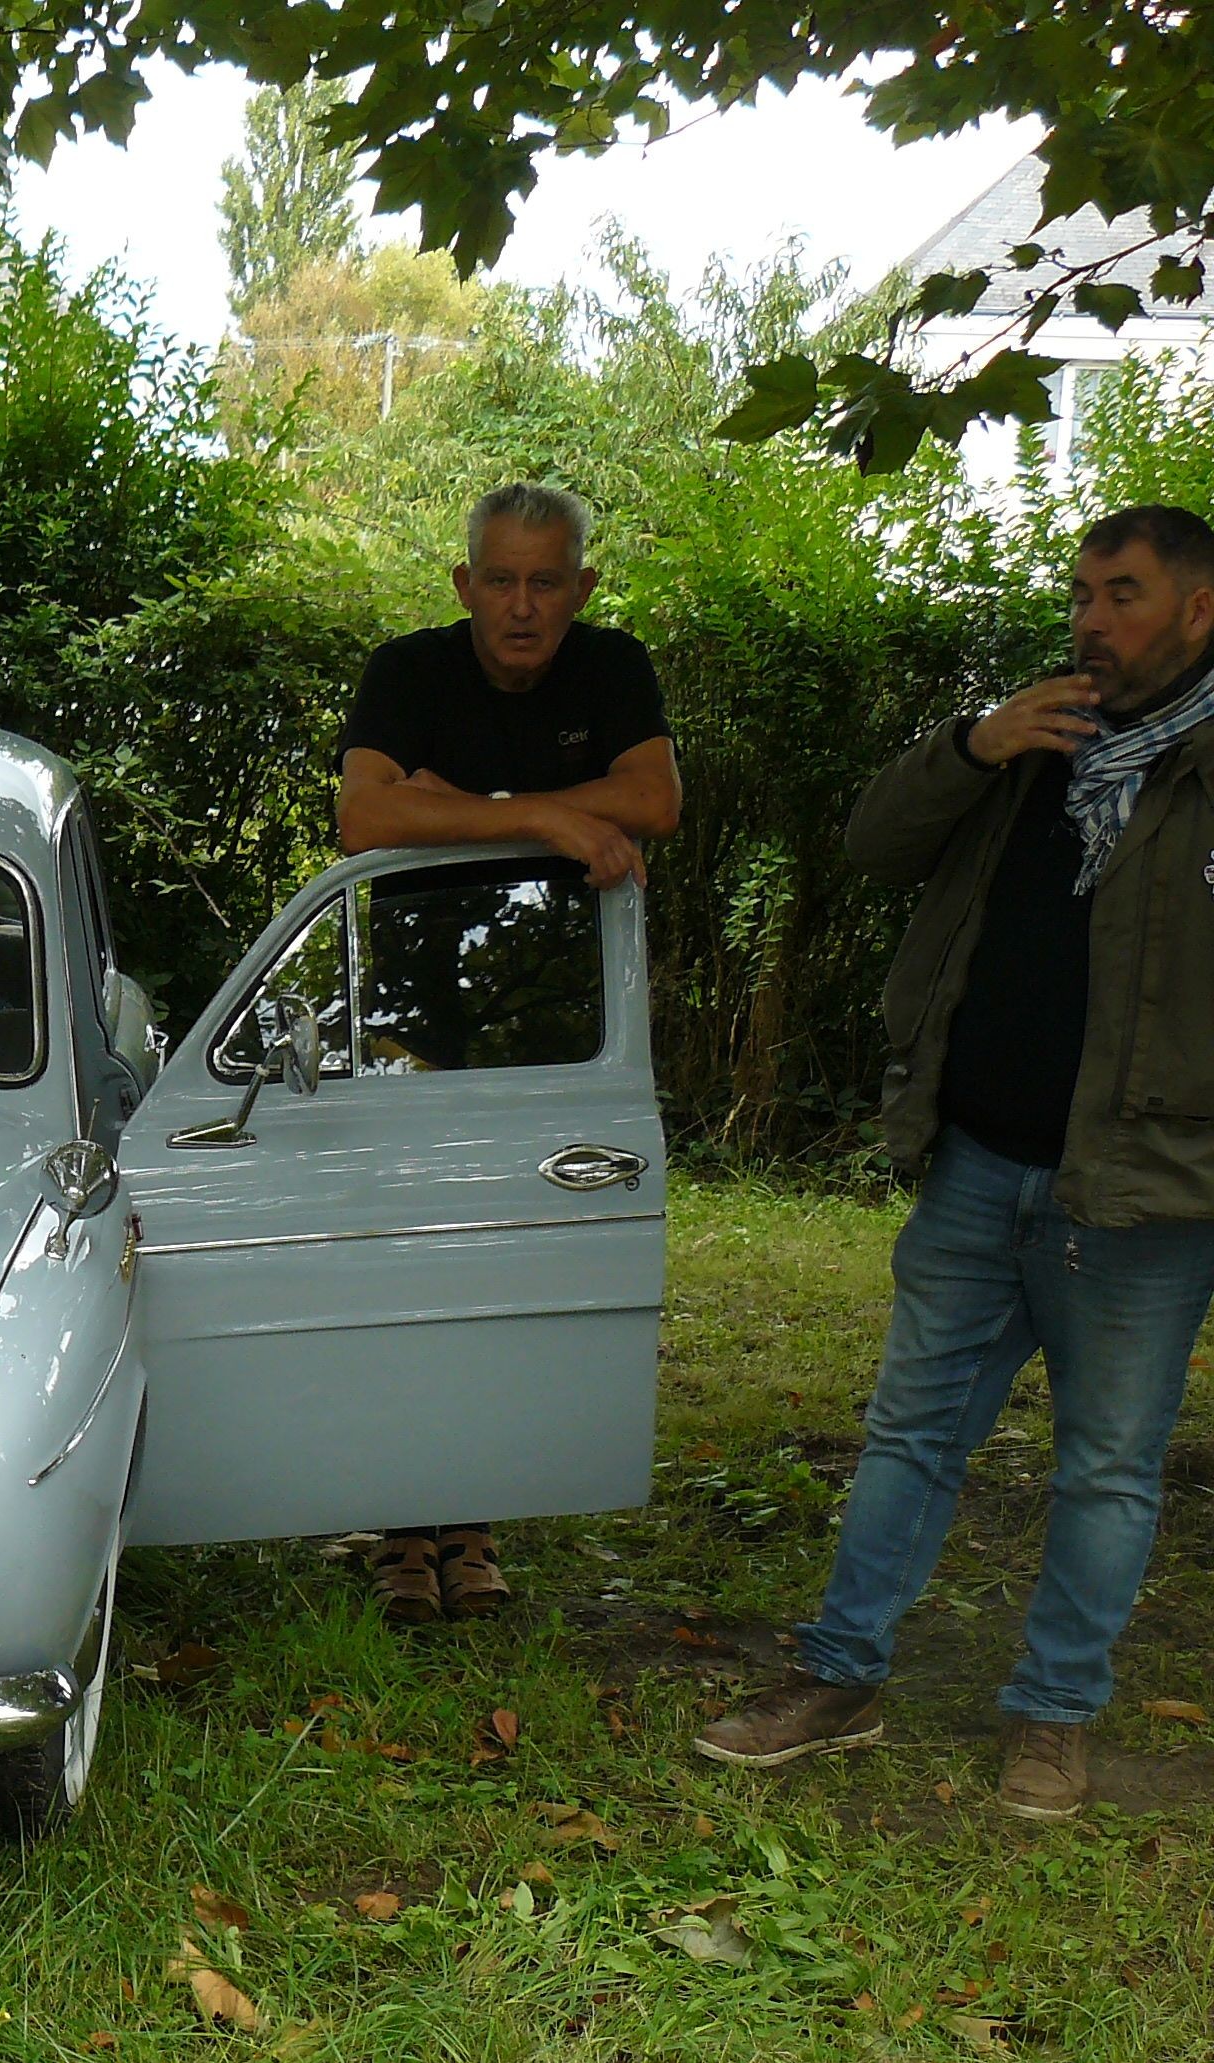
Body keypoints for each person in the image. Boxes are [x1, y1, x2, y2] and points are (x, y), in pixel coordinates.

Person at [697, 503, 1214, 1820]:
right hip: (978, 1164)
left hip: (1146, 1197)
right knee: (911, 1435)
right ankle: (839, 1678)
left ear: (1199, 612)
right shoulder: (1029, 748)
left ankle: (1052, 1718)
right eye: (1084, 591)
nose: (1090, 620)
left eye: (1124, 594)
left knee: (1104, 1467)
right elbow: (874, 842)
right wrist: (976, 744)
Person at [334, 481, 683, 1621]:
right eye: (500, 580)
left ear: (582, 587)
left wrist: (465, 801)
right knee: (406, 1274)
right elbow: (365, 821)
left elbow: (656, 802)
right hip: (411, 1024)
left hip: (556, 1029)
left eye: (546, 582)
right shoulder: (407, 670)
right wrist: (546, 819)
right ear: (463, 584)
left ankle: (472, 1522)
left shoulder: (615, 668)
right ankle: (400, 1528)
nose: (521, 606)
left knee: (500, 1278)